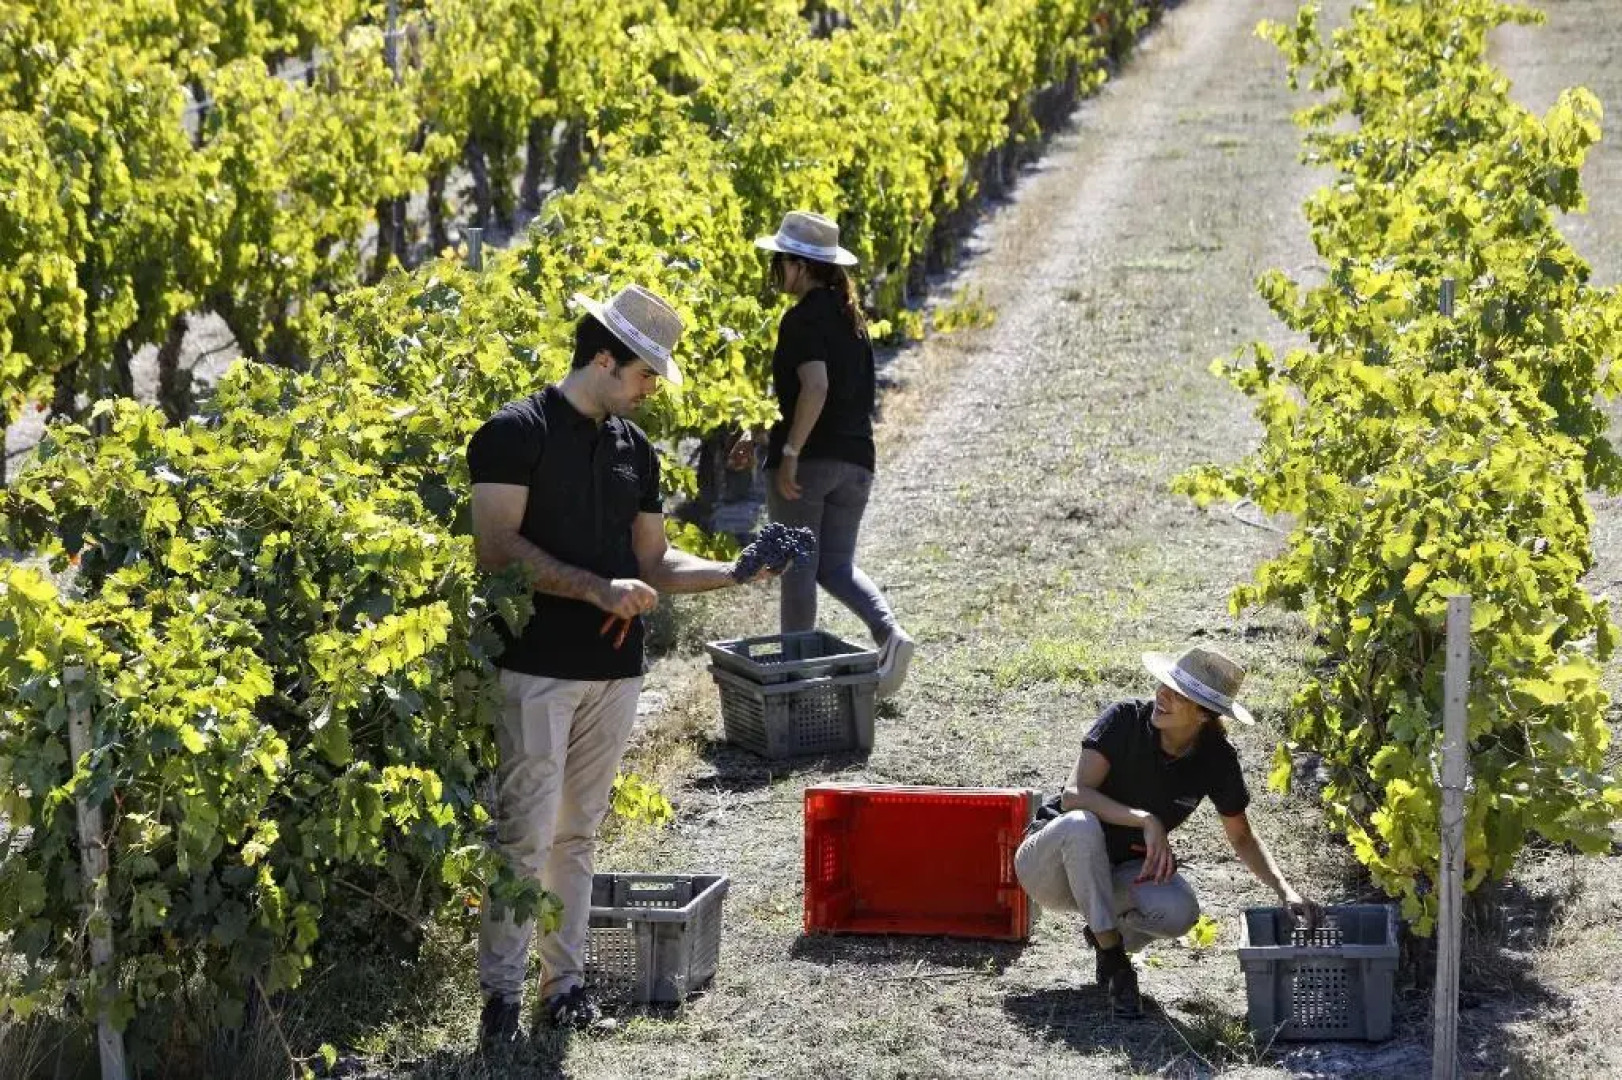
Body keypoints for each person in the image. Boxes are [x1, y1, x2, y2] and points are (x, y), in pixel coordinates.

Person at [467, 284, 772, 1048]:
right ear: (603, 358)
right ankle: (500, 995)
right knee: (525, 835)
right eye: (642, 376)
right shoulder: (513, 434)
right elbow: (497, 549)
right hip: (537, 666)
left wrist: (736, 571)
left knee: (579, 836)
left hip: (616, 672)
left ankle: (561, 987)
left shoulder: (635, 451)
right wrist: (599, 588)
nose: (647, 392)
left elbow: (654, 562)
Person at [1014, 645, 1322, 1016]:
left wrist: (1284, 890)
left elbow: (1241, 837)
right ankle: (1114, 960)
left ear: (1204, 715)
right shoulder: (1125, 718)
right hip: (1049, 867)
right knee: (1082, 825)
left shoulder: (1217, 759)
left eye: (1179, 695)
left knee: (1179, 910)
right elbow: (1074, 795)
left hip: (1113, 876)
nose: (1163, 695)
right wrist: (1146, 819)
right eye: (1164, 685)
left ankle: (1104, 935)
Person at [736, 210, 914, 698]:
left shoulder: (802, 319)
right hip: (857, 463)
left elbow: (814, 387)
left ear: (798, 266)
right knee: (834, 565)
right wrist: (764, 432)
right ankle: (889, 637)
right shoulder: (851, 320)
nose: (776, 273)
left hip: (809, 466)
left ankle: (794, 685)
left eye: (779, 263)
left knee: (797, 571)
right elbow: (820, 397)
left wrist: (790, 452)